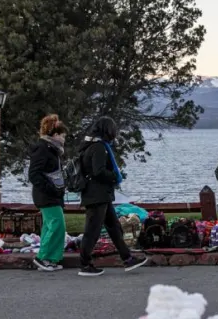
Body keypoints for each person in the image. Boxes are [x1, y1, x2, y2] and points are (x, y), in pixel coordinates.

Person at [77, 116, 147, 277]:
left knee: (114, 228)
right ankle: (85, 264)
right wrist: (115, 176)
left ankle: (127, 258)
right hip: (97, 195)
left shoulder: (89, 146)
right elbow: (98, 171)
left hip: (100, 195)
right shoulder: (99, 148)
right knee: (92, 231)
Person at [28, 114, 69, 272]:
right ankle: (42, 257)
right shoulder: (43, 149)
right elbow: (34, 174)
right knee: (57, 225)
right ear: (55, 135)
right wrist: (51, 189)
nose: (64, 139)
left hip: (51, 194)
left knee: (49, 226)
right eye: (63, 136)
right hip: (47, 195)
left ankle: (51, 258)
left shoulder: (52, 150)